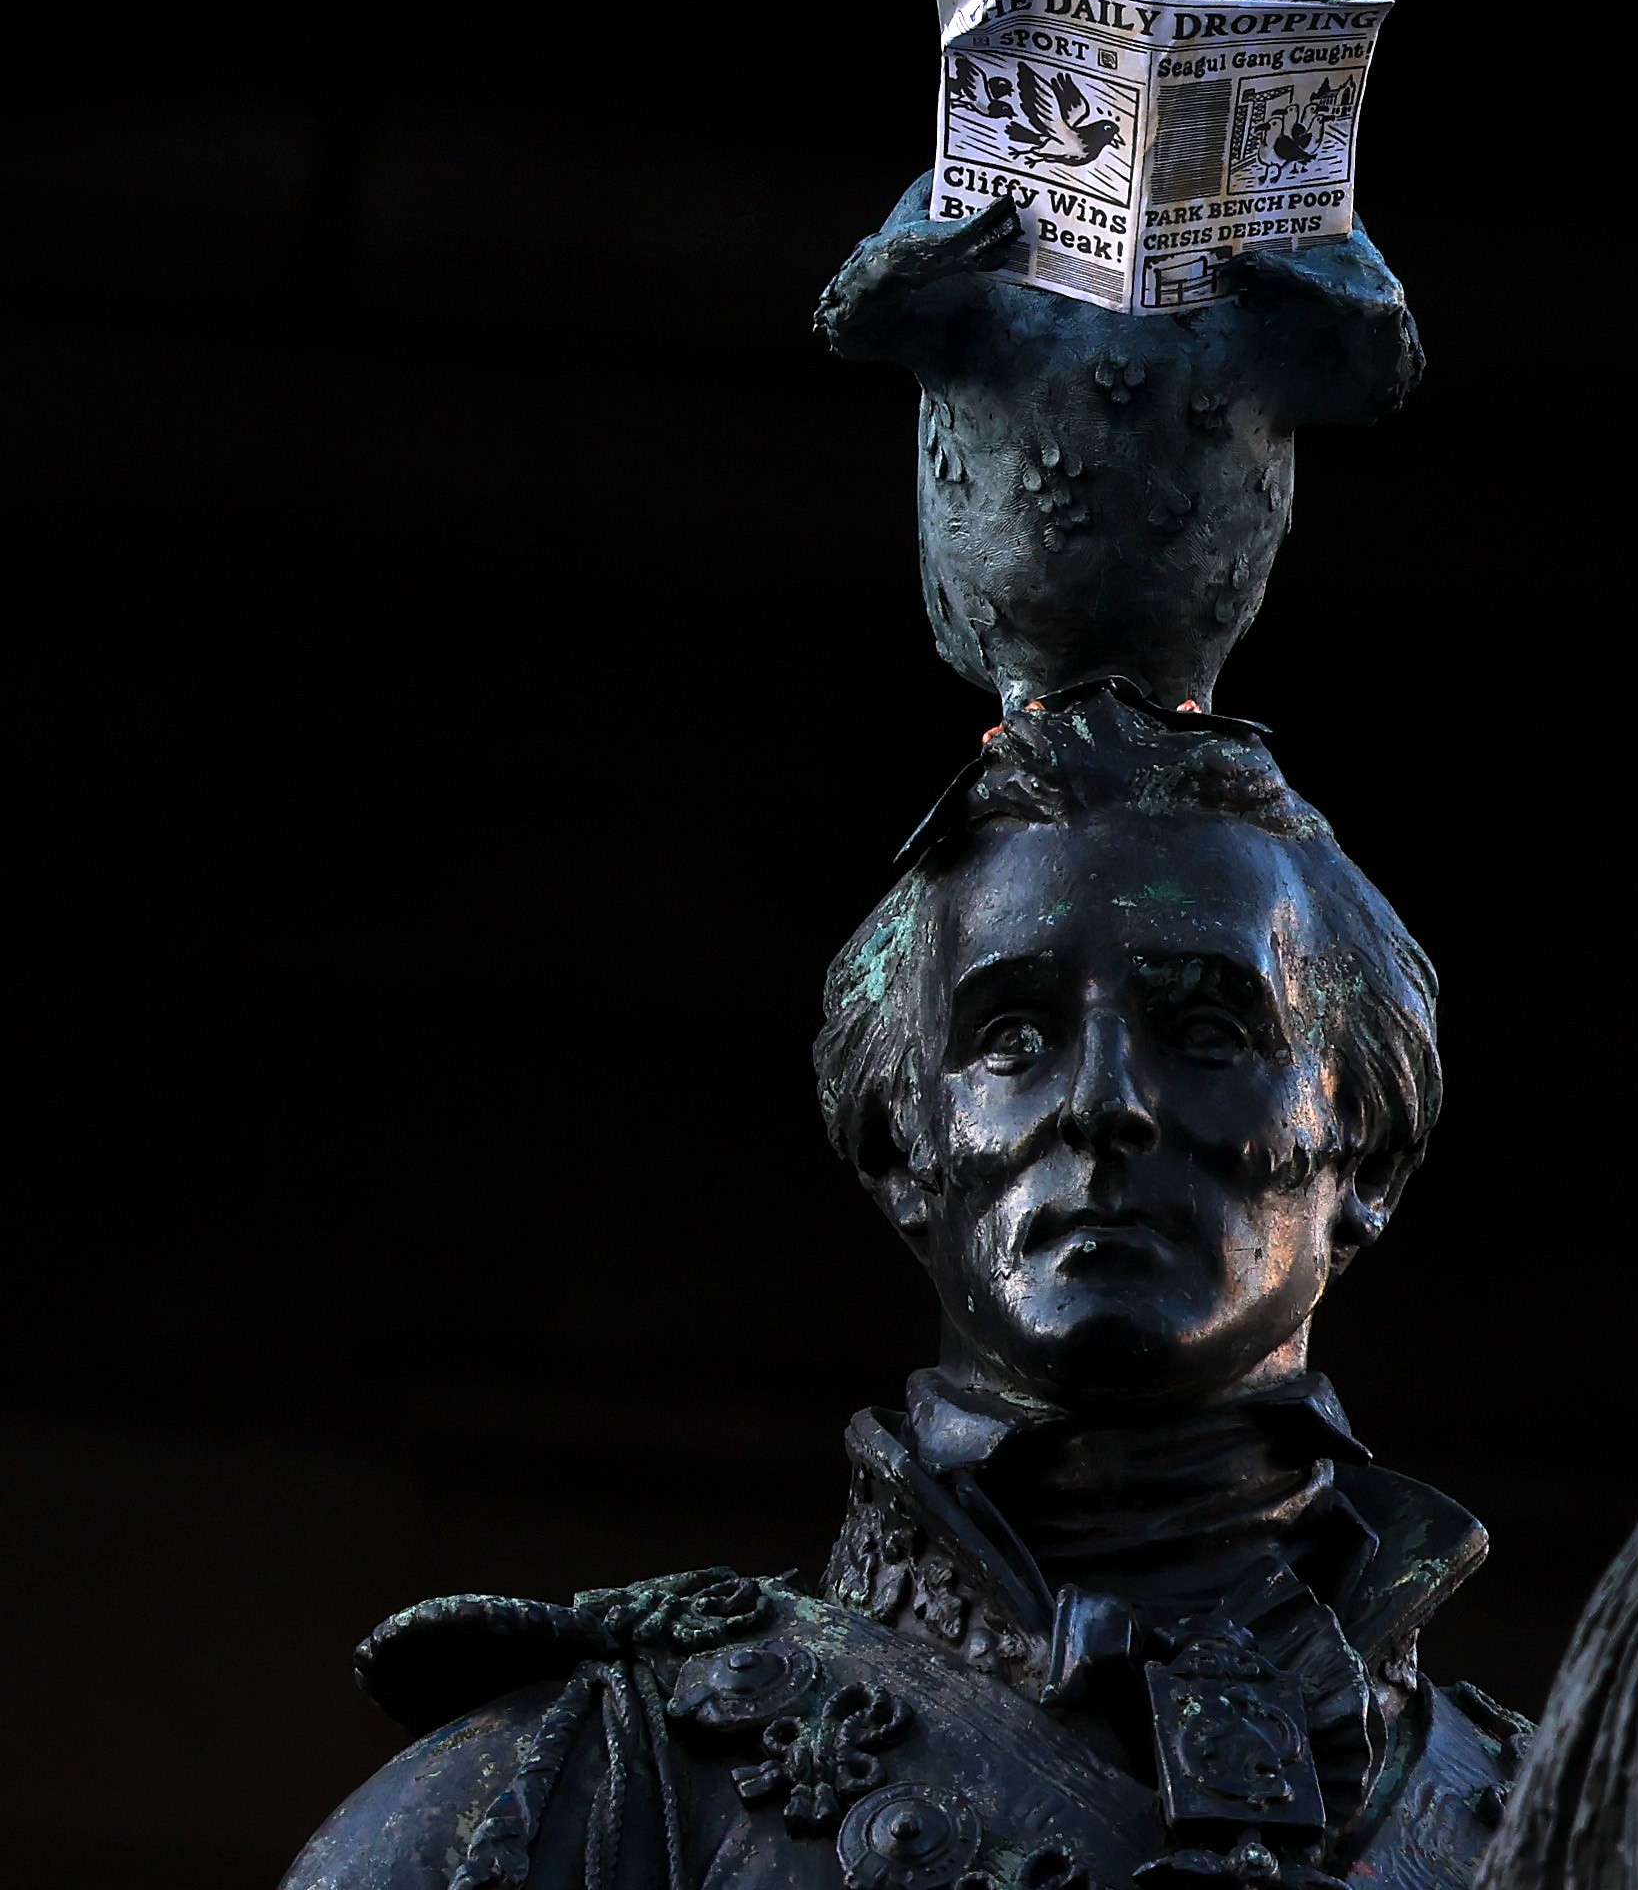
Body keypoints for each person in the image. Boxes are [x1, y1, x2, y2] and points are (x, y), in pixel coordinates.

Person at [287, 684, 1519, 1890]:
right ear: (901, 1154)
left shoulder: (1567, 1829)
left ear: (1371, 1153)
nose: (1103, 1104)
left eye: (1206, 1033)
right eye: (1011, 1039)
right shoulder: (570, 1795)